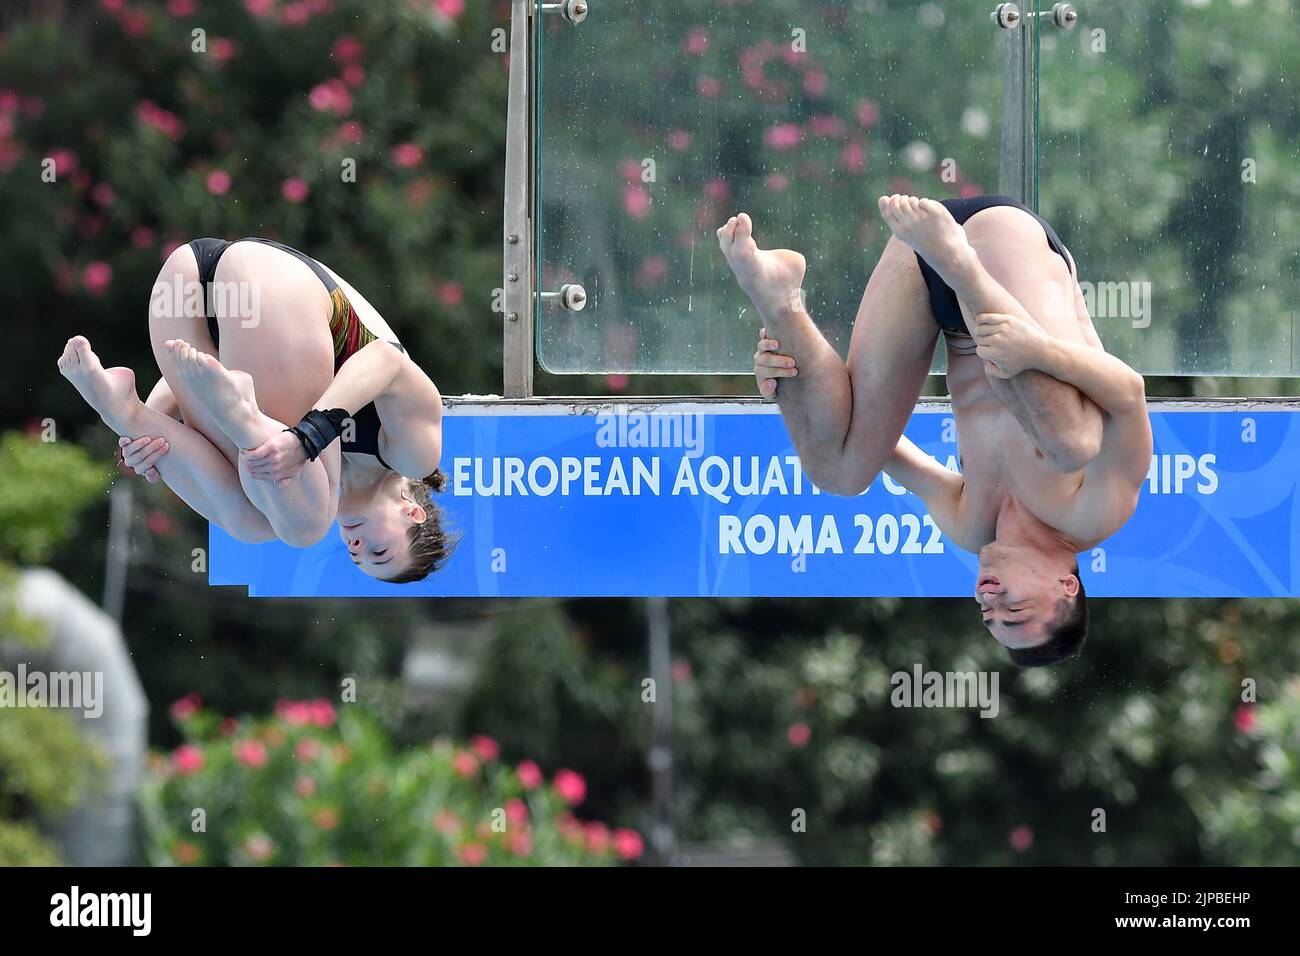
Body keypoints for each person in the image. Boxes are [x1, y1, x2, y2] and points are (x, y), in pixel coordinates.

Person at [719, 194, 1152, 665]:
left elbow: (878, 446)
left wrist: (793, 387)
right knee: (1075, 442)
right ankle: (960, 264)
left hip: (923, 266)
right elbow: (1128, 392)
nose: (991, 605)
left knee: (840, 473)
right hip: (1001, 250)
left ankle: (780, 299)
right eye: (1016, 612)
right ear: (1067, 585)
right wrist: (1039, 352)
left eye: (990, 619)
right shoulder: (1095, 514)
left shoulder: (968, 526)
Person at [58, 237, 457, 583]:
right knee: (305, 526)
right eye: (379, 551)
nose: (356, 545)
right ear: (412, 513)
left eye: (356, 556)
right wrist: (309, 437)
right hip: (271, 285)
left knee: (252, 525)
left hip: (186, 281)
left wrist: (145, 431)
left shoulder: (311, 490)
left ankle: (126, 412)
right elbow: (386, 359)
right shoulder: (414, 455)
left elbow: (198, 373)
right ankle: (242, 418)